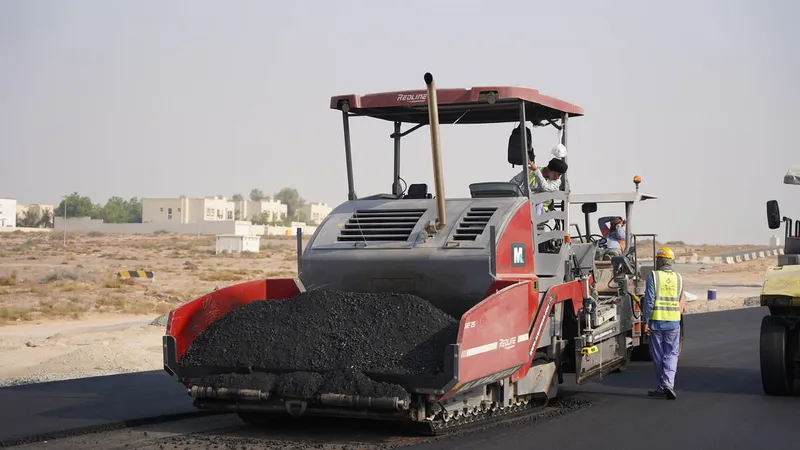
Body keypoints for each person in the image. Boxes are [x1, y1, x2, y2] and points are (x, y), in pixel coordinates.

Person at [642, 247, 684, 400]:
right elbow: (679, 298)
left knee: (658, 355)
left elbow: (649, 300)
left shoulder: (653, 276)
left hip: (657, 322)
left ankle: (662, 385)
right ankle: (668, 384)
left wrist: (645, 320)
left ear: (659, 261)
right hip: (673, 322)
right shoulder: (679, 278)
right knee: (672, 353)